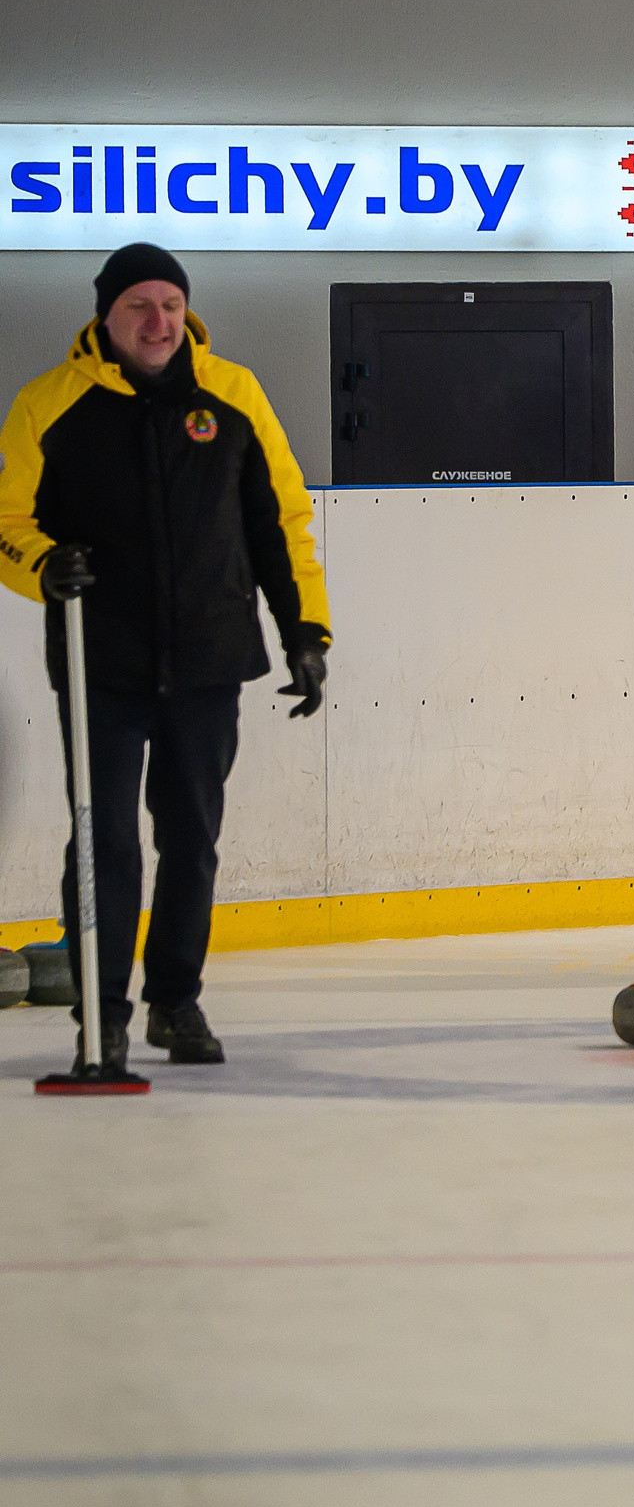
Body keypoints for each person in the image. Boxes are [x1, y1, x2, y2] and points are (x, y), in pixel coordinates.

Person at [0, 244, 331, 1074]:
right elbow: (6, 522)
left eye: (170, 305)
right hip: (99, 660)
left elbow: (279, 523)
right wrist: (43, 564)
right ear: (105, 316)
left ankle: (175, 1001)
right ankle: (102, 1015)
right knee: (104, 836)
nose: (158, 322)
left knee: (191, 836)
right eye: (139, 306)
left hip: (209, 656)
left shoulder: (234, 395)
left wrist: (305, 631)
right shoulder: (49, 405)